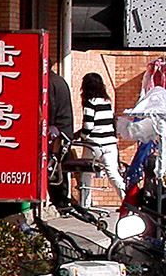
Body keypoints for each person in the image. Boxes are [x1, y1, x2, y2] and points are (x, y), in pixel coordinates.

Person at [76, 72, 125, 210]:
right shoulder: (107, 102)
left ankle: (84, 205)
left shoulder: (89, 103)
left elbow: (88, 126)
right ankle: (127, 202)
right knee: (113, 174)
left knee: (86, 173)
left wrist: (81, 136)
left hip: (94, 144)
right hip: (110, 143)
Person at [46, 70, 74, 210]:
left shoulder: (49, 82)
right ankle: (62, 202)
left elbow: (50, 107)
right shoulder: (59, 81)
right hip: (65, 131)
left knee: (54, 169)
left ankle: (60, 202)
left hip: (56, 133)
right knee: (60, 169)